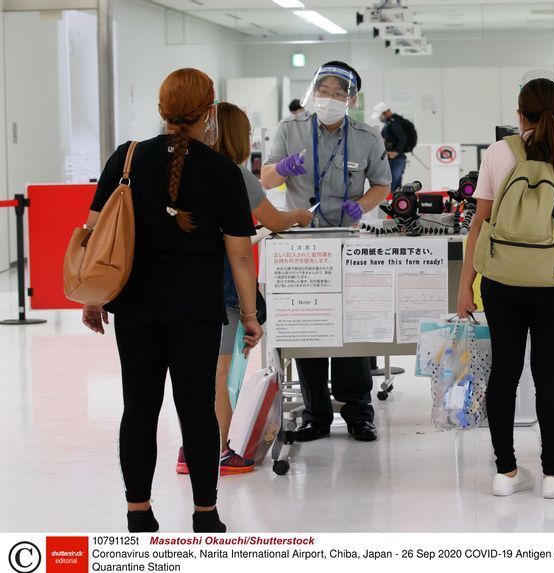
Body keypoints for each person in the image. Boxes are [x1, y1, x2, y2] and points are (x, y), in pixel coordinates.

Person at [82, 69, 262, 533]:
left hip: (135, 306)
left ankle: (138, 512)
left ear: (162, 109)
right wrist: (249, 315)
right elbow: (240, 253)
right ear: (209, 112)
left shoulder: (128, 157)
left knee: (138, 407)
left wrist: (92, 296)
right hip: (197, 310)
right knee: (197, 408)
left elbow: (95, 233)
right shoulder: (223, 171)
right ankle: (206, 514)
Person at [457, 78, 554, 499]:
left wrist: (466, 286)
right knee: (548, 375)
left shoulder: (499, 153)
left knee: (504, 372)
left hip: (501, 281)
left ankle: (505, 473)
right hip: (552, 282)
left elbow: (479, 223)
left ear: (519, 115)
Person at [174, 102, 313, 476]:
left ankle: (191, 448)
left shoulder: (182, 169)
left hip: (181, 285)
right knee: (218, 373)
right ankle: (218, 450)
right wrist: (299, 216)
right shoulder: (233, 174)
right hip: (221, 289)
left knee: (194, 370)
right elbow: (272, 218)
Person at [261, 61, 391, 443]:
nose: (330, 99)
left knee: (351, 332)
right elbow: (265, 180)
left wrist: (362, 207)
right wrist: (284, 167)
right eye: (324, 91)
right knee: (309, 330)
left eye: (338, 93)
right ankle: (315, 415)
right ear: (313, 92)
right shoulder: (290, 130)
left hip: (348, 245)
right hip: (302, 247)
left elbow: (381, 185)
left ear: (351, 98)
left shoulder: (368, 137)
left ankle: (358, 413)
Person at [371, 102, 408, 191]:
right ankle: (393, 203)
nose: (380, 118)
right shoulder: (389, 124)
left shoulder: (394, 123)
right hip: (392, 159)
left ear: (386, 112)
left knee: (392, 186)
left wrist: (396, 152)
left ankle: (392, 203)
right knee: (393, 186)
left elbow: (403, 139)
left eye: (380, 115)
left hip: (396, 159)